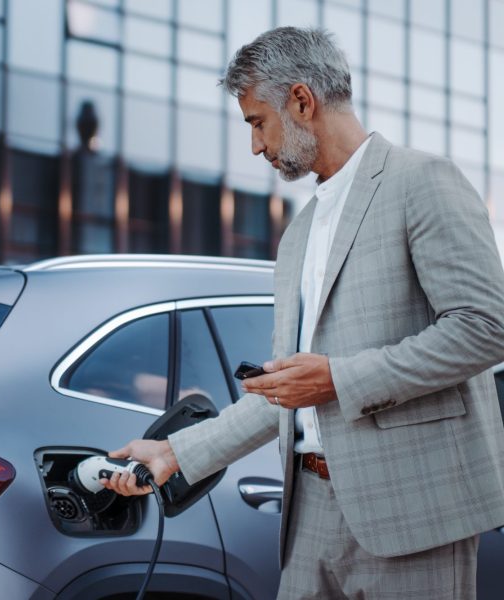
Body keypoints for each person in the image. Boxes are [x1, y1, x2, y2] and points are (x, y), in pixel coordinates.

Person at [101, 27, 504, 599]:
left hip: (413, 509)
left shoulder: (423, 182)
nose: (256, 146)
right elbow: (287, 391)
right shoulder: (298, 235)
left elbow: (487, 327)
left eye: (256, 122)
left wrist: (338, 378)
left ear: (301, 100)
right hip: (307, 514)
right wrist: (172, 453)